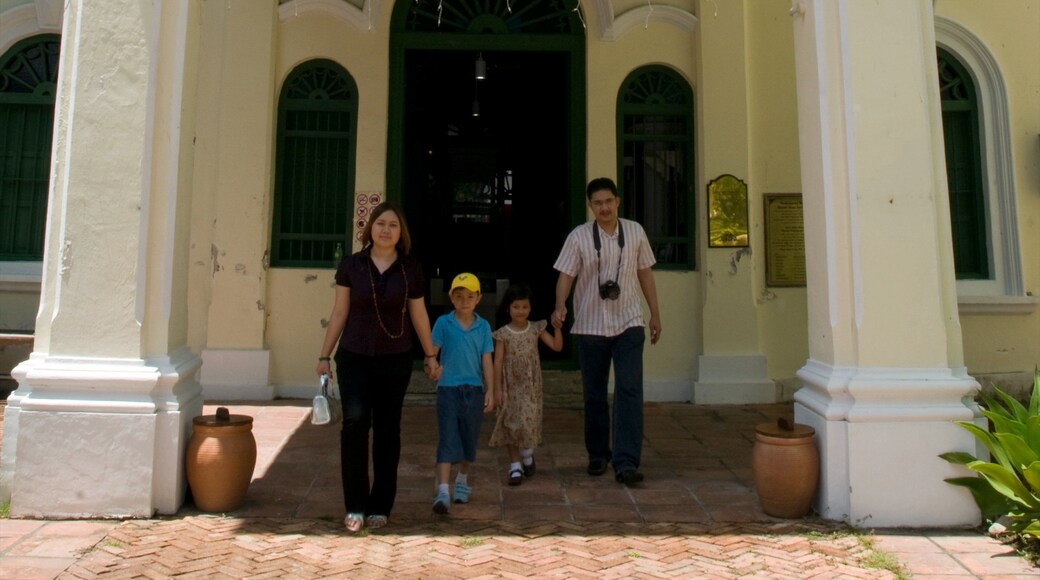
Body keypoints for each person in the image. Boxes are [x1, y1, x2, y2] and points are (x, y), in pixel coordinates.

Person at [316, 201, 441, 533]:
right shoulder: (351, 266)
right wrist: (324, 356)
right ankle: (355, 505)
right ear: (370, 227)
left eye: (393, 225)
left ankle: (381, 504)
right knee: (355, 423)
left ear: (401, 234)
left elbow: (418, 313)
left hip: (395, 358)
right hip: (354, 355)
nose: (386, 230)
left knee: (388, 429)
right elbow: (339, 312)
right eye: (381, 223)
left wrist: (430, 355)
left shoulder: (410, 269)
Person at [552, 177, 662, 486]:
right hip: (591, 325)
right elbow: (565, 275)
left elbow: (645, 273)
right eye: (598, 203)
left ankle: (626, 462)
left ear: (618, 201)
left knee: (629, 390)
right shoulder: (579, 237)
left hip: (629, 322)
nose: (604, 208)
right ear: (590, 206)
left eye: (608, 201)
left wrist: (655, 313)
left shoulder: (635, 231)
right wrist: (560, 305)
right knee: (595, 393)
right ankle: (598, 454)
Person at [428, 272, 496, 514]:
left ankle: (462, 479)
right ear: (451, 298)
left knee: (469, 438)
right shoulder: (443, 323)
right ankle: (443, 491)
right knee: (447, 437)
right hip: (448, 389)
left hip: (473, 390)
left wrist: (491, 389)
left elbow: (486, 360)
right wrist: (432, 367)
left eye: (469, 296)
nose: (464, 301)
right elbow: (432, 353)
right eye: (459, 296)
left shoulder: (483, 326)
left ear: (479, 298)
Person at [489, 283, 564, 486]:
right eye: (516, 307)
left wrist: (557, 329)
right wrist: (496, 388)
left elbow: (556, 346)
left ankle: (527, 454)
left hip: (530, 387)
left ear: (530, 308)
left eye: (524, 307)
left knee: (528, 421)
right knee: (510, 423)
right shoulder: (503, 334)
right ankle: (515, 465)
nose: (520, 311)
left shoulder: (535, 329)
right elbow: (497, 361)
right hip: (510, 386)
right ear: (508, 309)